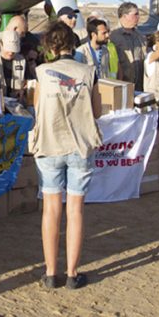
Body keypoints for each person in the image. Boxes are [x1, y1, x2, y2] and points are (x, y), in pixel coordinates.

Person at [30, 22, 103, 290]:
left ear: (49, 46)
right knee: (75, 209)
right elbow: (96, 111)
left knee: (50, 209)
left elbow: (37, 108)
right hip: (80, 145)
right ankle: (72, 272)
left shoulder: (40, 72)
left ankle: (50, 272)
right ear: (73, 44)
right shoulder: (88, 71)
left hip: (49, 144)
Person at [109, 2, 146, 93]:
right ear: (125, 16)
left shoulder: (140, 36)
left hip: (139, 87)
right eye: (135, 14)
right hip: (121, 86)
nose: (138, 17)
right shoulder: (112, 36)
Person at [0, 30, 27, 99]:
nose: (10, 53)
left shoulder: (22, 61)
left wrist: (23, 90)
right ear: (1, 44)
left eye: (13, 51)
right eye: (8, 49)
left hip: (18, 102)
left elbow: (28, 82)